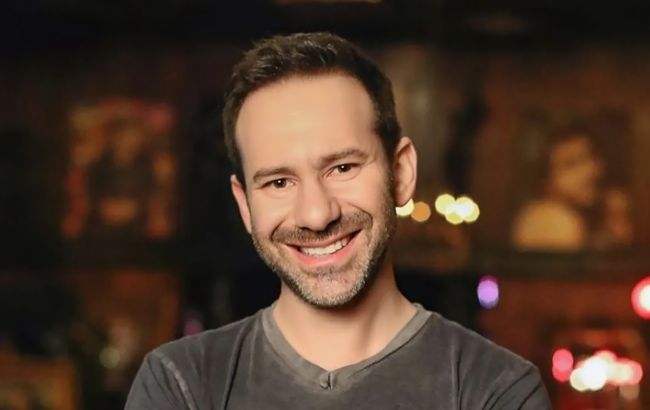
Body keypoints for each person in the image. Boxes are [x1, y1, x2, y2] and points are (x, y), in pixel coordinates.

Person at [125, 32, 551, 409]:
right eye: (278, 182)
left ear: (401, 173)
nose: (316, 215)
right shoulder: (181, 384)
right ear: (245, 205)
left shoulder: (495, 389)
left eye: (342, 168)